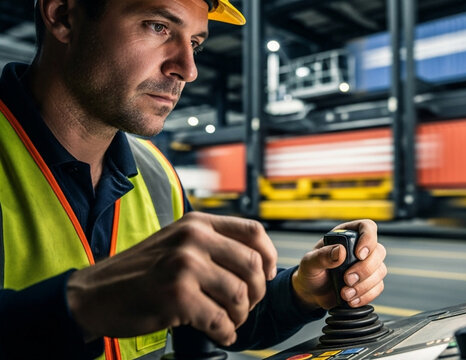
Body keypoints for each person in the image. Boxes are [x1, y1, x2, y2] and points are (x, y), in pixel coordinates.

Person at [0, 0, 388, 358]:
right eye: (158, 27)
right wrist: (83, 306)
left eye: (196, 43)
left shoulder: (156, 174)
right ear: (64, 15)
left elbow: (211, 316)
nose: (187, 69)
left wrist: (300, 291)